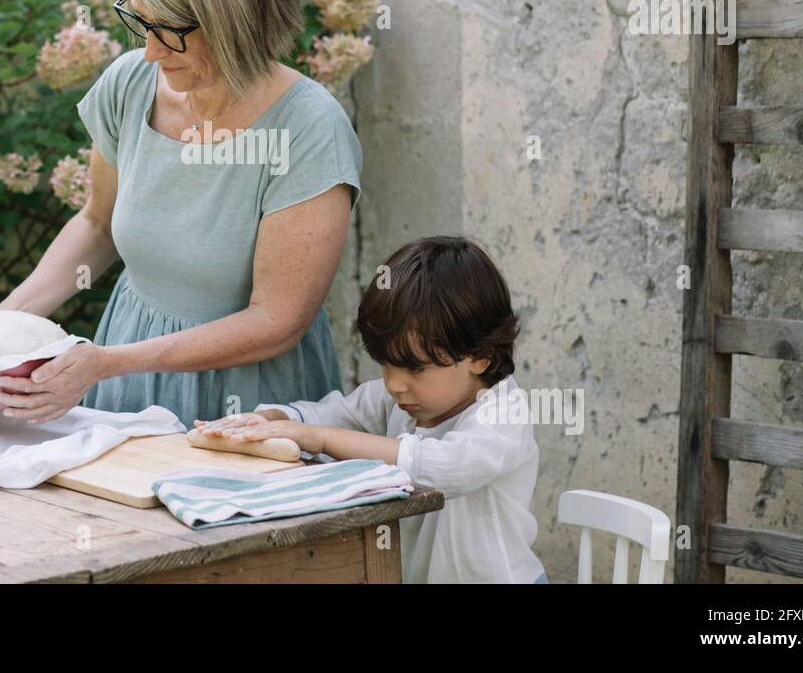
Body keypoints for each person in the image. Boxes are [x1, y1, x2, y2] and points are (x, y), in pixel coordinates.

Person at [0, 0, 363, 426]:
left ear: (235, 20)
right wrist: (1, 329)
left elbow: (277, 322)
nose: (152, 51)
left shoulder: (309, 129)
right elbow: (97, 224)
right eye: (141, 22)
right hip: (122, 379)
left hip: (247, 406)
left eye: (172, 32)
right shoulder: (130, 85)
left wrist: (108, 363)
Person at [195, 236, 548, 584]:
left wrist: (320, 438)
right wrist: (271, 421)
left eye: (415, 368)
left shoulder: (503, 415)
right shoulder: (399, 398)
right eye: (386, 364)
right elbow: (329, 414)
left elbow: (445, 469)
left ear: (479, 358)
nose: (395, 384)